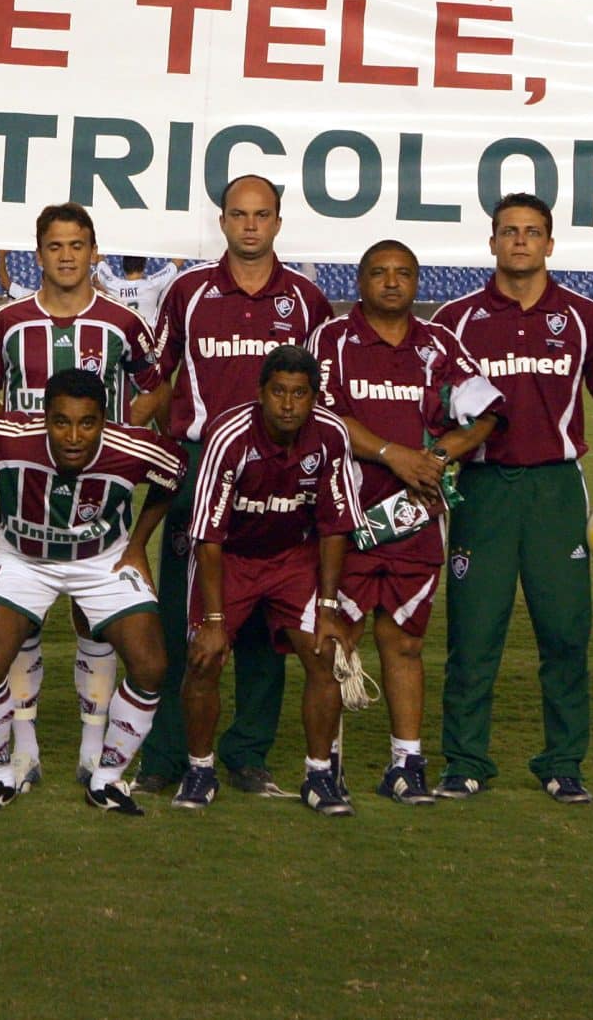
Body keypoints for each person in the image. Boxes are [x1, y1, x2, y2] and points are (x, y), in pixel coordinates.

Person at [435, 194, 593, 803]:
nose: (519, 242)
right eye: (508, 232)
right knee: (473, 633)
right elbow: (434, 410)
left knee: (565, 634)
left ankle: (564, 761)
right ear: (491, 242)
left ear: (550, 244)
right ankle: (465, 760)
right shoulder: (457, 319)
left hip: (555, 491)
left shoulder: (585, 316)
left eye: (531, 232)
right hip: (482, 493)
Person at [131, 174, 332, 799]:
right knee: (182, 624)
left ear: (278, 223)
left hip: (280, 472)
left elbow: (324, 390)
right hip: (197, 467)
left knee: (265, 624)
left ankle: (248, 754)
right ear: (222, 221)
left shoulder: (305, 300)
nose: (250, 225)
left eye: (262, 214)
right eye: (239, 214)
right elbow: (155, 375)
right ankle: (167, 755)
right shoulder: (187, 291)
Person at [0, 203, 159, 787]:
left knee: (92, 621)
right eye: (55, 246)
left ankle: (92, 745)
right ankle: (23, 749)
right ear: (39, 252)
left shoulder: (123, 324)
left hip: (102, 513)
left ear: (94, 250)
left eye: (78, 245)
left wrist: (120, 435)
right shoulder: (7, 322)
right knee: (19, 628)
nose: (68, 256)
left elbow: (159, 386)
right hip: (24, 511)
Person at [309, 240, 503, 806]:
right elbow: (324, 414)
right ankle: (327, 767)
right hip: (345, 514)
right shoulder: (332, 340)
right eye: (378, 273)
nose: (391, 282)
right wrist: (394, 453)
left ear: (417, 281)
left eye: (403, 273)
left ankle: (406, 763)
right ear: (360, 279)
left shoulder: (440, 343)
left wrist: (440, 456)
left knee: (405, 642)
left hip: (416, 518)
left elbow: (488, 411)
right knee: (336, 642)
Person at [0, 369, 182, 815]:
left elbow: (172, 476)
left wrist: (138, 544)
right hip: (24, 560)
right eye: (61, 421)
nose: (74, 435)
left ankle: (107, 779)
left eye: (87, 422)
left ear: (105, 420)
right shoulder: (5, 438)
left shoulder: (135, 448)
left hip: (103, 561)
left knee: (151, 664)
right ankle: (0, 775)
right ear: (43, 418)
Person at [177, 347, 362, 817]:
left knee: (326, 653)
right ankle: (199, 769)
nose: (287, 404)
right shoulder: (229, 437)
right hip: (230, 558)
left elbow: (336, 525)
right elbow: (208, 535)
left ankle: (320, 775)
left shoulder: (331, 435)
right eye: (278, 392)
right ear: (261, 394)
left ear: (314, 398)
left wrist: (326, 607)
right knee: (205, 658)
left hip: (291, 559)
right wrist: (215, 621)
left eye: (299, 394)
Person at [96, 254, 184, 328]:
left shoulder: (113, 285)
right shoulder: (152, 284)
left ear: (123, 266)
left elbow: (101, 266)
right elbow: (178, 262)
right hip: (148, 342)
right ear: (144, 265)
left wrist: (100, 259)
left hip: (124, 340)